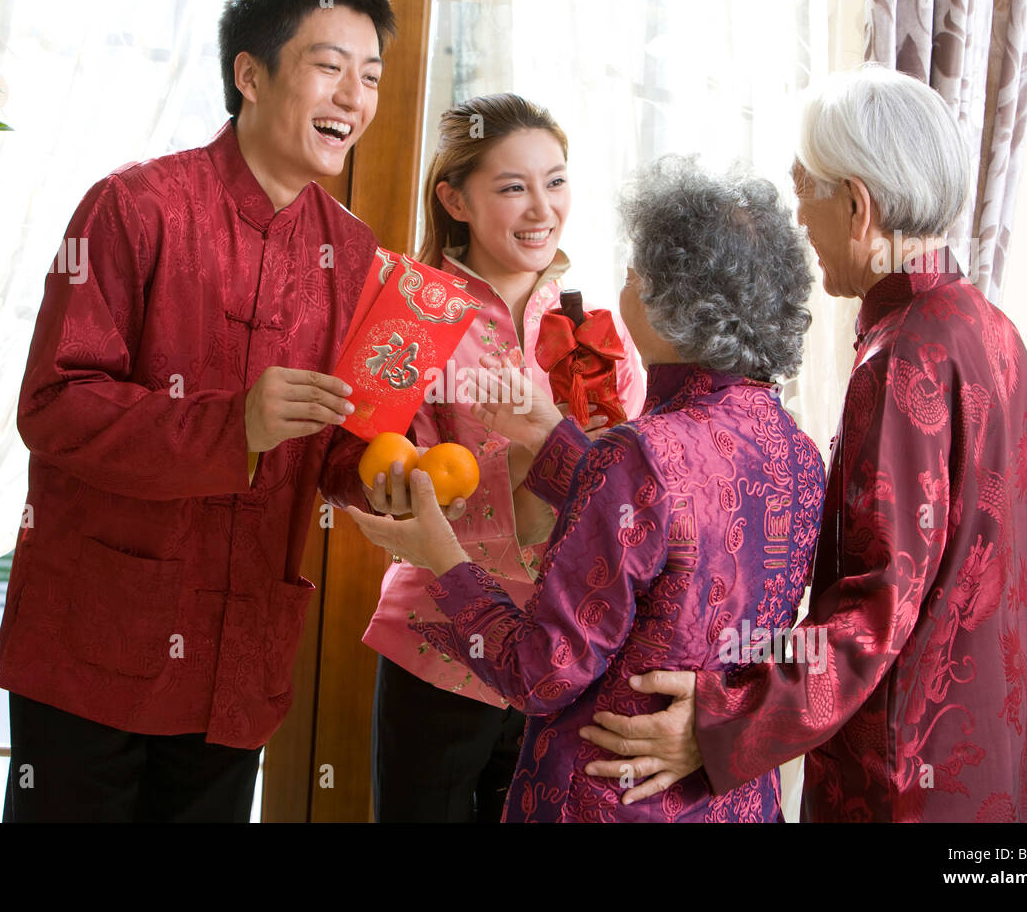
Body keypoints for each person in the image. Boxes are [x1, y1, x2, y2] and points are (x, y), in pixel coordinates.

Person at [579, 65, 1027, 822]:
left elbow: (877, 606)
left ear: (856, 205)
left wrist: (721, 723)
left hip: (913, 763)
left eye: (803, 194)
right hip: (1004, 743)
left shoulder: (903, 357)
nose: (799, 228)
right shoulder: (988, 325)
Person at [0, 0, 396, 822]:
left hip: (239, 649)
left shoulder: (357, 255)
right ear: (250, 75)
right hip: (97, 636)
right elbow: (54, 406)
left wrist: (379, 473)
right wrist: (234, 423)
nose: (354, 98)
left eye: (370, 77)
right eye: (330, 66)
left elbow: (335, 442)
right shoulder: (133, 207)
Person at [350, 157, 823, 822]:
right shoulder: (796, 452)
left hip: (603, 797)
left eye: (636, 271)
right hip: (732, 799)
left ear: (666, 303)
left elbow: (541, 674)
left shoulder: (642, 450)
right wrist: (552, 436)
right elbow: (667, 526)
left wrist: (442, 558)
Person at [362, 93, 646, 822]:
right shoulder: (412, 311)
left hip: (565, 649)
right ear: (453, 198)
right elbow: (366, 471)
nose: (541, 208)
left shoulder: (594, 323)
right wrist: (397, 489)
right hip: (442, 645)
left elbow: (637, 482)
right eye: (513, 187)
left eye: (555, 181)